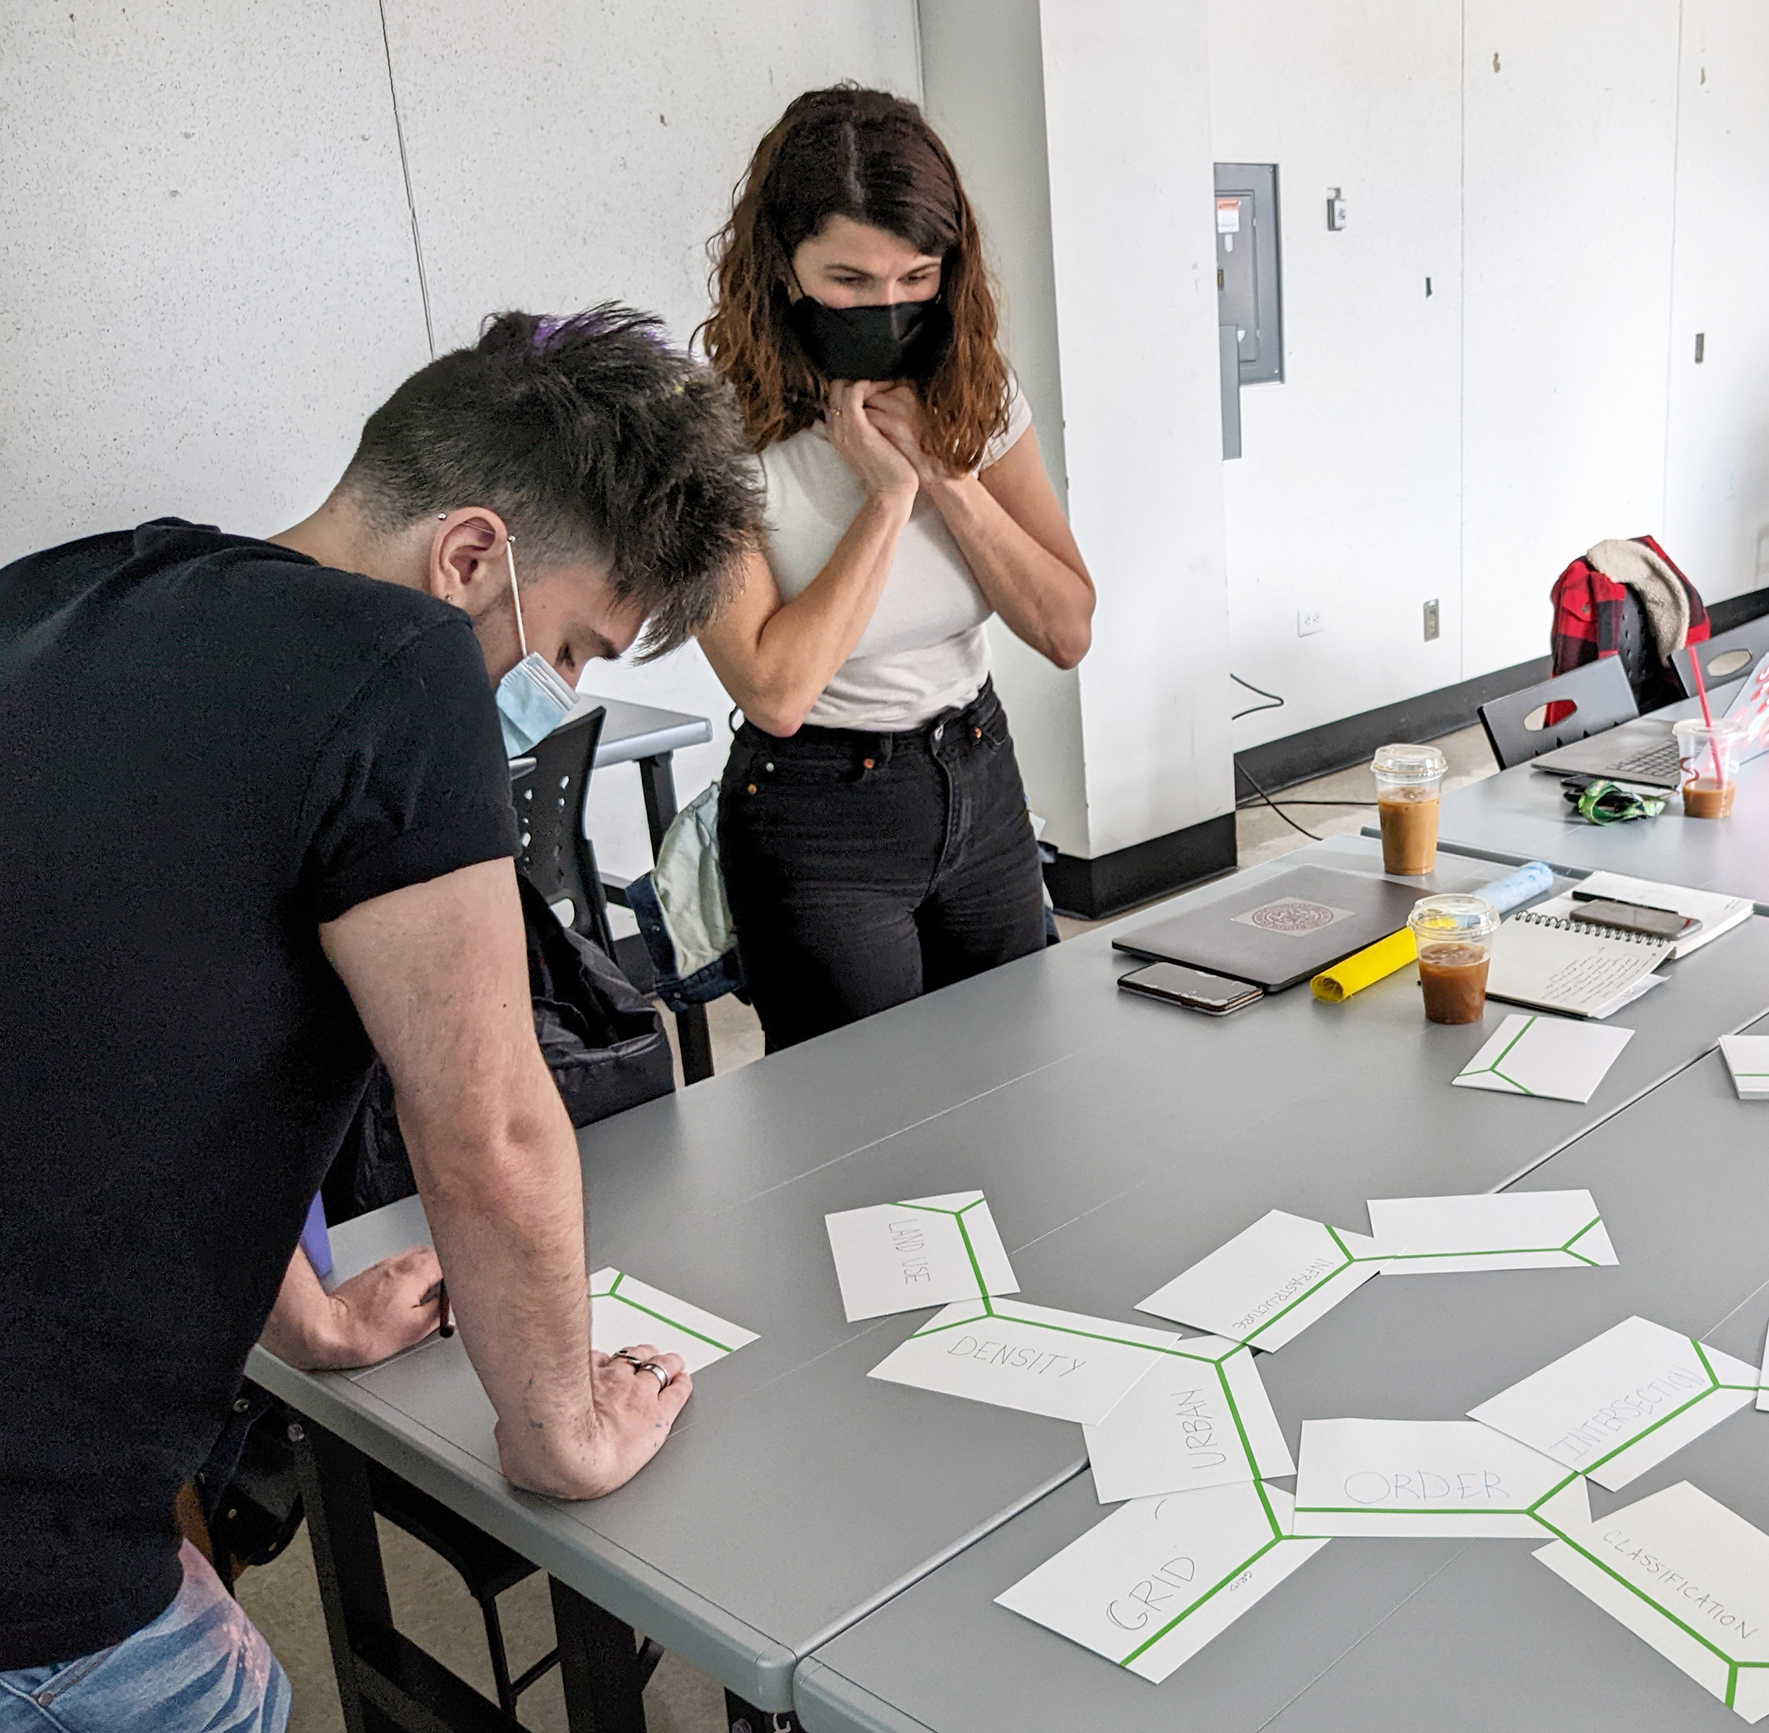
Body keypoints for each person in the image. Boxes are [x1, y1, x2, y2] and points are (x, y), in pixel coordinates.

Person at [0, 306, 763, 1730]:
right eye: (579, 648)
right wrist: (565, 1434)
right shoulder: (402, 664)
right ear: (471, 556)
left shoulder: (76, 588)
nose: (564, 697)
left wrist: (310, 1324)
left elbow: (143, 1035)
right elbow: (485, 1120)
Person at [698, 85, 1095, 1053]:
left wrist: (946, 476)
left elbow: (1064, 626)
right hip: (817, 812)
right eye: (848, 279)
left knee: (1017, 1089)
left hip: (978, 772)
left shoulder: (972, 388)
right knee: (867, 1137)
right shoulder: (705, 432)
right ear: (779, 270)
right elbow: (775, 688)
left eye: (915, 276)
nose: (886, 307)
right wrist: (882, 502)